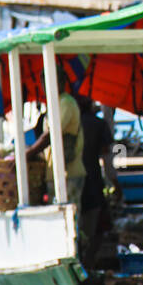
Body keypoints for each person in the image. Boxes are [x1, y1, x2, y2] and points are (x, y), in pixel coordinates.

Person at [25, 64, 85, 207]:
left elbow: (50, 135)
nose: (45, 86)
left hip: (68, 174)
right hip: (56, 174)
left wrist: (28, 153)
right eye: (43, 82)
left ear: (60, 81)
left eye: (47, 81)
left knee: (69, 218)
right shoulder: (55, 104)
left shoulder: (66, 103)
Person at [77, 95, 122, 268]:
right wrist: (116, 185)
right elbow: (107, 161)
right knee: (97, 229)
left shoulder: (69, 122)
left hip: (74, 182)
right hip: (93, 183)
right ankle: (88, 264)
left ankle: (82, 262)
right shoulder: (99, 124)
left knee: (81, 226)